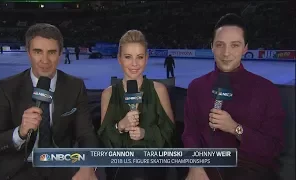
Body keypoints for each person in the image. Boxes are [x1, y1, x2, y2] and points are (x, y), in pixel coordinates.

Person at [0, 23, 99, 180]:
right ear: (28, 52)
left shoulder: (74, 86)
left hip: (60, 165)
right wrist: (20, 132)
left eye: (51, 52)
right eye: (38, 52)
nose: (45, 60)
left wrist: (88, 165)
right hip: (17, 168)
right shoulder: (7, 88)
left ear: (60, 54)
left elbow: (86, 134)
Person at [182, 13, 285, 180]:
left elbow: (273, 147)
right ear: (212, 47)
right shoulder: (197, 86)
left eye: (235, 45)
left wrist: (235, 129)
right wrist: (195, 166)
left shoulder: (266, 90)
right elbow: (190, 133)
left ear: (245, 48)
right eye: (220, 45)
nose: (226, 53)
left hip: (252, 169)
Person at [98, 30, 175, 180]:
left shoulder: (159, 90)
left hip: (153, 170)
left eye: (139, 57)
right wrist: (119, 126)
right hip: (119, 171)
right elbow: (104, 138)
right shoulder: (108, 94)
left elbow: (170, 133)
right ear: (119, 59)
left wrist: (146, 133)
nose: (134, 64)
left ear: (146, 59)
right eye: (128, 57)